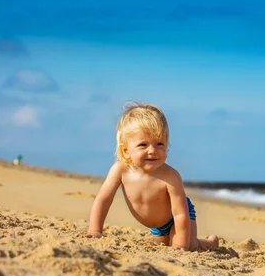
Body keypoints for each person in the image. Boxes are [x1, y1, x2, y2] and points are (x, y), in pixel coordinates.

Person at [86, 102, 218, 251]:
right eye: (143, 145)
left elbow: (180, 213)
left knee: (189, 245)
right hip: (157, 226)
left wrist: (181, 245)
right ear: (126, 151)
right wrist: (95, 231)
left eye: (159, 144)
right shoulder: (120, 170)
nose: (152, 150)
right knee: (162, 243)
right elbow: (103, 200)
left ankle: (207, 243)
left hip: (178, 218)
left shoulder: (170, 176)